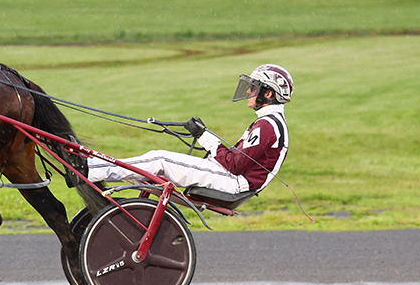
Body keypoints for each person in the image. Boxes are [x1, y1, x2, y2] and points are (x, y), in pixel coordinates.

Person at [87, 64, 293, 195]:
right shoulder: (270, 123)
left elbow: (235, 165)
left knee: (161, 160)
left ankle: (91, 170)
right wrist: (205, 136)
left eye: (255, 87)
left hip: (233, 182)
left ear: (268, 94)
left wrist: (205, 137)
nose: (249, 91)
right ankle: (101, 173)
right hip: (230, 177)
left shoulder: (268, 125)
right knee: (158, 162)